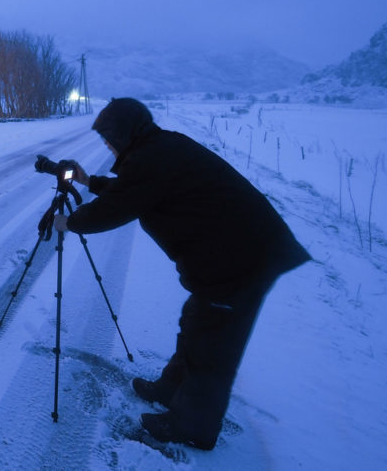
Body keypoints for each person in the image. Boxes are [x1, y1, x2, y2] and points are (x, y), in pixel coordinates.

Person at [53, 97, 310, 450]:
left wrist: (71, 222)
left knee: (213, 345)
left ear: (125, 134)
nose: (108, 146)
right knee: (197, 321)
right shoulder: (157, 149)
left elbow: (119, 207)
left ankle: (193, 427)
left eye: (109, 139)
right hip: (229, 256)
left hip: (244, 260)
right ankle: (170, 389)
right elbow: (137, 192)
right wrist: (90, 181)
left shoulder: (151, 159)